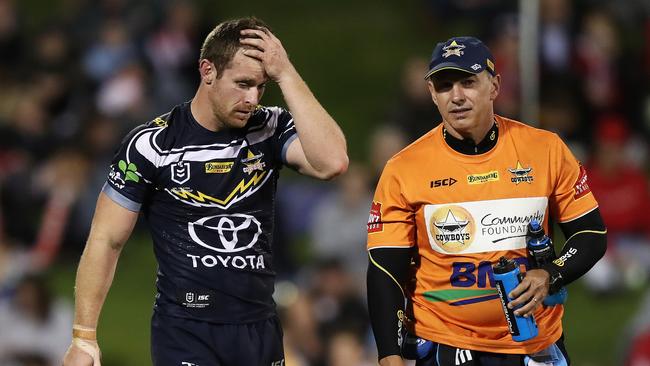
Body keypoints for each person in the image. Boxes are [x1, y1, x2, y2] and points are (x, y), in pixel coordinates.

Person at [63, 17, 348, 366]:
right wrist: (84, 337)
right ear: (207, 70)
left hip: (259, 327)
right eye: (242, 84)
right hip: (186, 329)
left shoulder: (269, 128)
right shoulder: (153, 145)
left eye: (261, 86)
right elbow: (106, 239)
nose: (252, 98)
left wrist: (286, 73)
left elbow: (332, 162)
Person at [366, 36, 607, 365]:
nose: (457, 96)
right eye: (444, 85)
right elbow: (385, 270)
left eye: (468, 82)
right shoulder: (403, 170)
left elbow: (590, 235)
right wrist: (389, 356)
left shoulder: (545, 150)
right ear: (431, 95)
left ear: (494, 86)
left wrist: (551, 273)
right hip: (445, 344)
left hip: (535, 343)